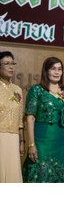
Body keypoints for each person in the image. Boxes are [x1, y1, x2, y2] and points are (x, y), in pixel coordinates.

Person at [23, 57, 64, 183]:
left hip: (61, 143)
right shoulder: (36, 90)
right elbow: (30, 119)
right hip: (42, 142)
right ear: (46, 71)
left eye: (60, 69)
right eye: (53, 69)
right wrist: (31, 144)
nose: (57, 72)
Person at [0, 51, 24, 183]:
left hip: (13, 137)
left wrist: (21, 142)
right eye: (7, 64)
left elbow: (20, 119)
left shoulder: (17, 90)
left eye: (13, 63)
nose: (11, 67)